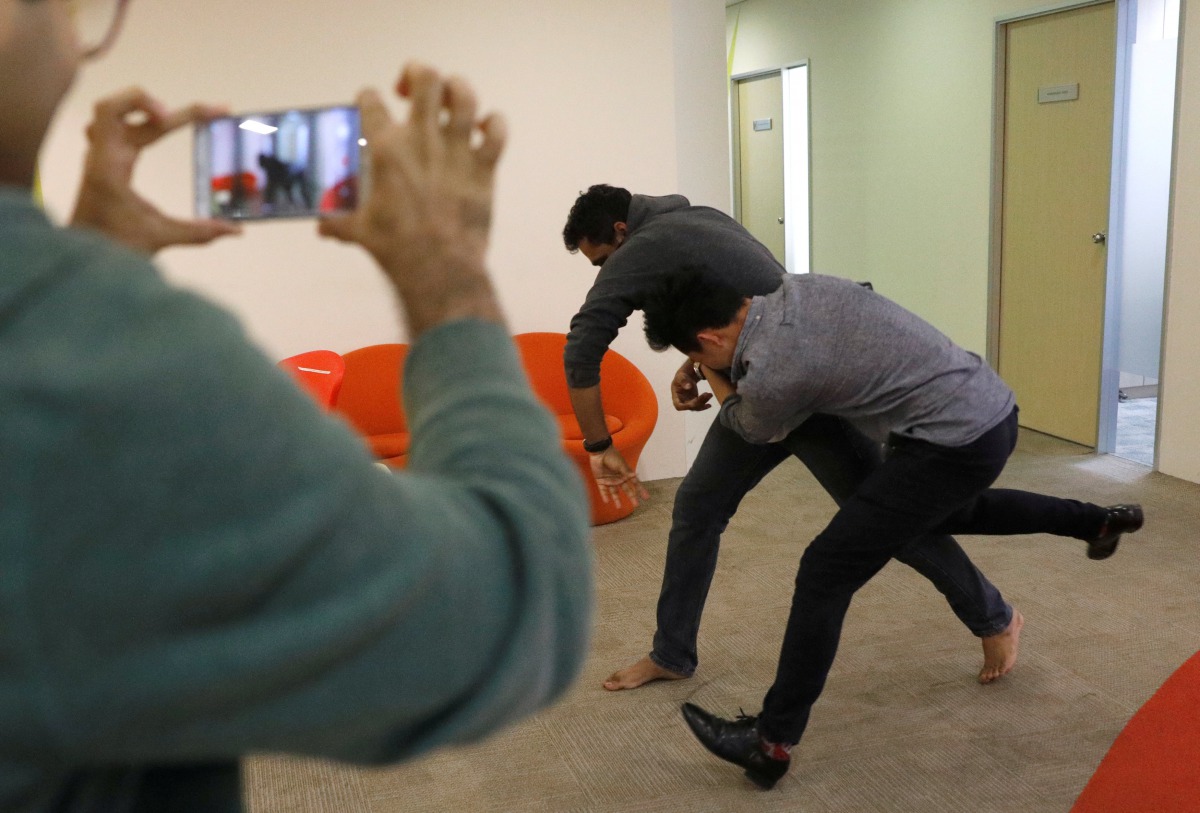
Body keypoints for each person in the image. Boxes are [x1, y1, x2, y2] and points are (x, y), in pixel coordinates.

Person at [1, 2, 592, 810]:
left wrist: (78, 282)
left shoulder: (66, 349)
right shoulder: (112, 376)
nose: (80, 35)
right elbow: (519, 607)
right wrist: (446, 269)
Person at [640, 266, 1144, 790]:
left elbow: (750, 426)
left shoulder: (774, 372)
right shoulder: (806, 287)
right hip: (990, 409)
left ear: (709, 336)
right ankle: (1097, 521)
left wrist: (717, 374)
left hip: (950, 444)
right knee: (953, 514)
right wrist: (709, 359)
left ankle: (771, 741)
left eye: (699, 356)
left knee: (824, 569)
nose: (701, 366)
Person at [562, 184, 1024, 691]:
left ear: (622, 232)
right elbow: (730, 314)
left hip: (802, 392)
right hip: (757, 388)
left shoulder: (644, 247)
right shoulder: (701, 220)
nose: (604, 274)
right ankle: (672, 652)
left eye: (601, 260)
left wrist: (599, 445)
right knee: (697, 507)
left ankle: (993, 616)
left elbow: (582, 346)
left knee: (880, 518)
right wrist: (698, 358)